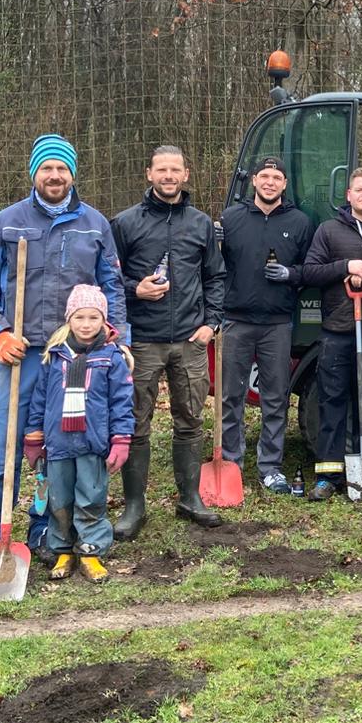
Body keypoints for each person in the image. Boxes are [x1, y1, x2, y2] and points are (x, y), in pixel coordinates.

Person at [0, 134, 126, 565]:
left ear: (73, 173)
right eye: (46, 168)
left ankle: (45, 529)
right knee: (0, 450)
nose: (54, 175)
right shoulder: (8, 222)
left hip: (73, 361)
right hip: (18, 356)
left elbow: (113, 287)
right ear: (33, 172)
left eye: (62, 168)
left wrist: (118, 338)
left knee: (56, 449)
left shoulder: (95, 225)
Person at [111, 146, 227, 535]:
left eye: (175, 169)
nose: (168, 176)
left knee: (190, 420)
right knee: (136, 422)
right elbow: (108, 280)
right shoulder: (125, 224)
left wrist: (211, 323)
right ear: (149, 174)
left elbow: (216, 277)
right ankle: (134, 506)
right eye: (161, 169)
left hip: (190, 341)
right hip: (142, 341)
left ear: (186, 175)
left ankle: (190, 498)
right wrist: (135, 289)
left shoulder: (200, 225)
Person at [299, 167, 362, 500]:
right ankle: (328, 475)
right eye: (359, 190)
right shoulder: (329, 231)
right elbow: (310, 272)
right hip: (336, 333)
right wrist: (347, 266)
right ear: (348, 195)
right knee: (332, 402)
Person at [23, 286, 134, 584]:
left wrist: (121, 439)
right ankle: (62, 550)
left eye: (94, 317)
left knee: (91, 497)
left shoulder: (112, 358)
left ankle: (90, 550)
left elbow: (122, 403)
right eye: (80, 317)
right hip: (57, 443)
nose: (86, 324)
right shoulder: (54, 356)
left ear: (104, 320)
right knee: (59, 499)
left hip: (93, 443)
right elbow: (40, 398)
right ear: (69, 319)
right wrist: (33, 436)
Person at [217, 156, 312, 494]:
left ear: (284, 184)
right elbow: (215, 268)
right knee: (231, 397)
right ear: (254, 181)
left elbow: (308, 269)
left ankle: (270, 467)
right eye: (264, 176)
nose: (270, 182)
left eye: (277, 177)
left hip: (277, 324)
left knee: (276, 398)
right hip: (236, 321)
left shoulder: (300, 222)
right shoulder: (231, 219)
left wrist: (291, 276)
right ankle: (231, 463)